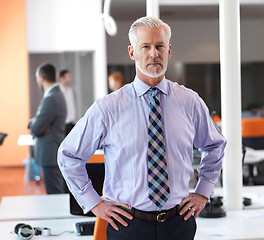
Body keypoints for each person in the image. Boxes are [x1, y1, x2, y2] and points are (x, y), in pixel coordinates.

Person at [57, 16, 227, 240]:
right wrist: (94, 203)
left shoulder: (190, 102)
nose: (153, 53)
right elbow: (68, 155)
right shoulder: (107, 108)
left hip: (179, 223)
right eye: (145, 46)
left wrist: (203, 193)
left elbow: (215, 145)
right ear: (132, 52)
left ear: (169, 51)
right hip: (127, 225)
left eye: (160, 46)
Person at [28, 63, 67, 194]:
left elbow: (36, 128)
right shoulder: (55, 95)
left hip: (50, 154)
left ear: (41, 78)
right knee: (55, 191)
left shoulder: (51, 98)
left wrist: (33, 124)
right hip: (51, 151)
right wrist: (36, 123)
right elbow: (39, 124)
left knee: (54, 194)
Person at [59, 70, 76, 135]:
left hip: (71, 122)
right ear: (62, 78)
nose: (70, 79)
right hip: (63, 124)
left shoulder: (69, 90)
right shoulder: (58, 91)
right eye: (68, 77)